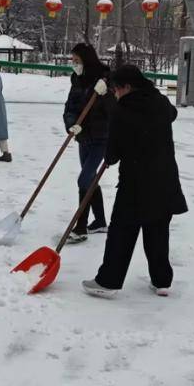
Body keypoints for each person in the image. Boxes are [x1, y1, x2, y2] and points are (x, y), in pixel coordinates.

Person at [82, 65, 188, 299]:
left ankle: (108, 281)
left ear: (127, 87)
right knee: (157, 231)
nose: (115, 93)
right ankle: (162, 281)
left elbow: (112, 155)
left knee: (121, 232)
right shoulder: (160, 102)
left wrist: (112, 153)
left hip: (135, 183)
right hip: (165, 179)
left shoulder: (122, 111)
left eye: (116, 89)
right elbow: (172, 114)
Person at [63, 42, 111, 243]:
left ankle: (81, 227)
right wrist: (72, 124)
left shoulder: (106, 78)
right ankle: (100, 221)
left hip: (102, 137)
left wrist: (105, 93)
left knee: (84, 180)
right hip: (84, 137)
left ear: (87, 60)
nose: (74, 64)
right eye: (72, 60)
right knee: (90, 179)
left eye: (77, 60)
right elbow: (70, 107)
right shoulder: (77, 79)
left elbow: (113, 109)